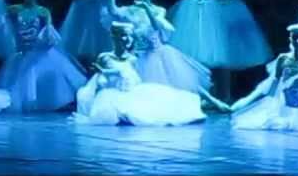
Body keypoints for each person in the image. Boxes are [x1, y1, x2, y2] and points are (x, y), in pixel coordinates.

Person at [72, 21, 208, 126]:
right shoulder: (105, 57)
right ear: (115, 37)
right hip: (112, 93)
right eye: (124, 35)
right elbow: (98, 80)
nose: (128, 39)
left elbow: (135, 79)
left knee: (161, 101)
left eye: (130, 36)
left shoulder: (132, 59)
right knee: (130, 113)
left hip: (131, 92)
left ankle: (193, 108)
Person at [0, 0, 87, 112]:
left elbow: (50, 35)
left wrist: (45, 43)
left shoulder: (43, 11)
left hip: (37, 54)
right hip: (21, 54)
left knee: (40, 81)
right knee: (20, 85)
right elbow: (0, 25)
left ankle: (42, 106)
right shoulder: (14, 9)